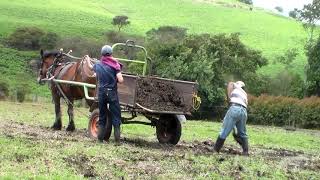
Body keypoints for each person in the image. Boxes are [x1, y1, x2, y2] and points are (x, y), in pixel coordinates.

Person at [90, 45, 124, 144]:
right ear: (111, 53)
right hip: (112, 93)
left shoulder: (97, 65)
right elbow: (121, 80)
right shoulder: (115, 65)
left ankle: (100, 139)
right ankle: (117, 141)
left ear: (102, 54)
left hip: (101, 93)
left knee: (102, 115)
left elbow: (94, 73)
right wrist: (116, 78)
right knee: (116, 115)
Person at [214, 81, 249, 155]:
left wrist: (229, 99)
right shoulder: (244, 93)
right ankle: (246, 152)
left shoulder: (235, 86)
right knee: (242, 133)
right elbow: (246, 104)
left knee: (224, 131)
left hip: (234, 108)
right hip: (244, 111)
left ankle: (216, 150)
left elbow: (230, 84)